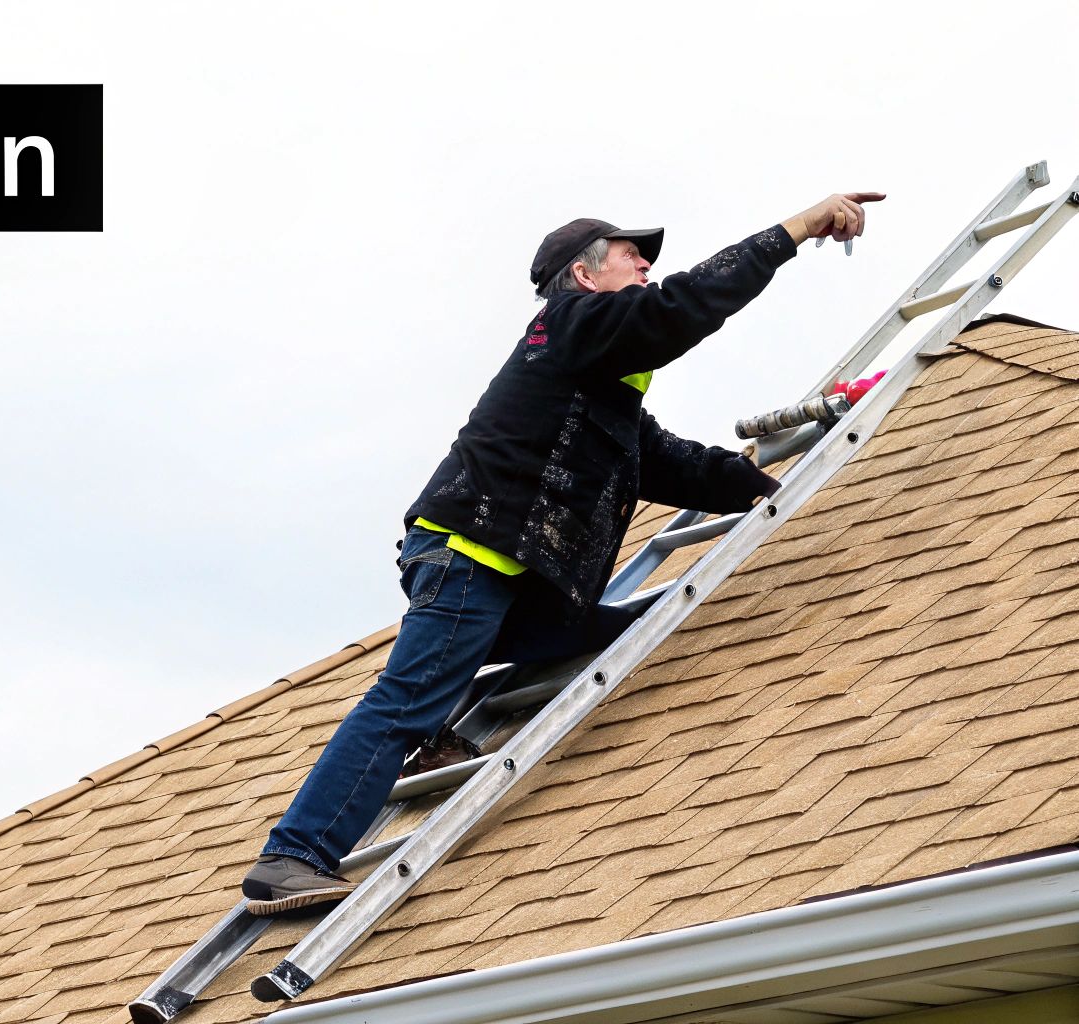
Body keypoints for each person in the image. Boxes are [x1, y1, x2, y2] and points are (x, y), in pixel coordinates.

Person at [241, 192, 886, 915]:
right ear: (583, 277)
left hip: (522, 589)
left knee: (632, 629)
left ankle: (444, 714)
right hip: (474, 558)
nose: (645, 263)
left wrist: (779, 486)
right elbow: (682, 306)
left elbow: (668, 461)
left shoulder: (596, 387)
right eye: (629, 255)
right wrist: (794, 230)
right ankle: (293, 857)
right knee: (405, 700)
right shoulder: (570, 324)